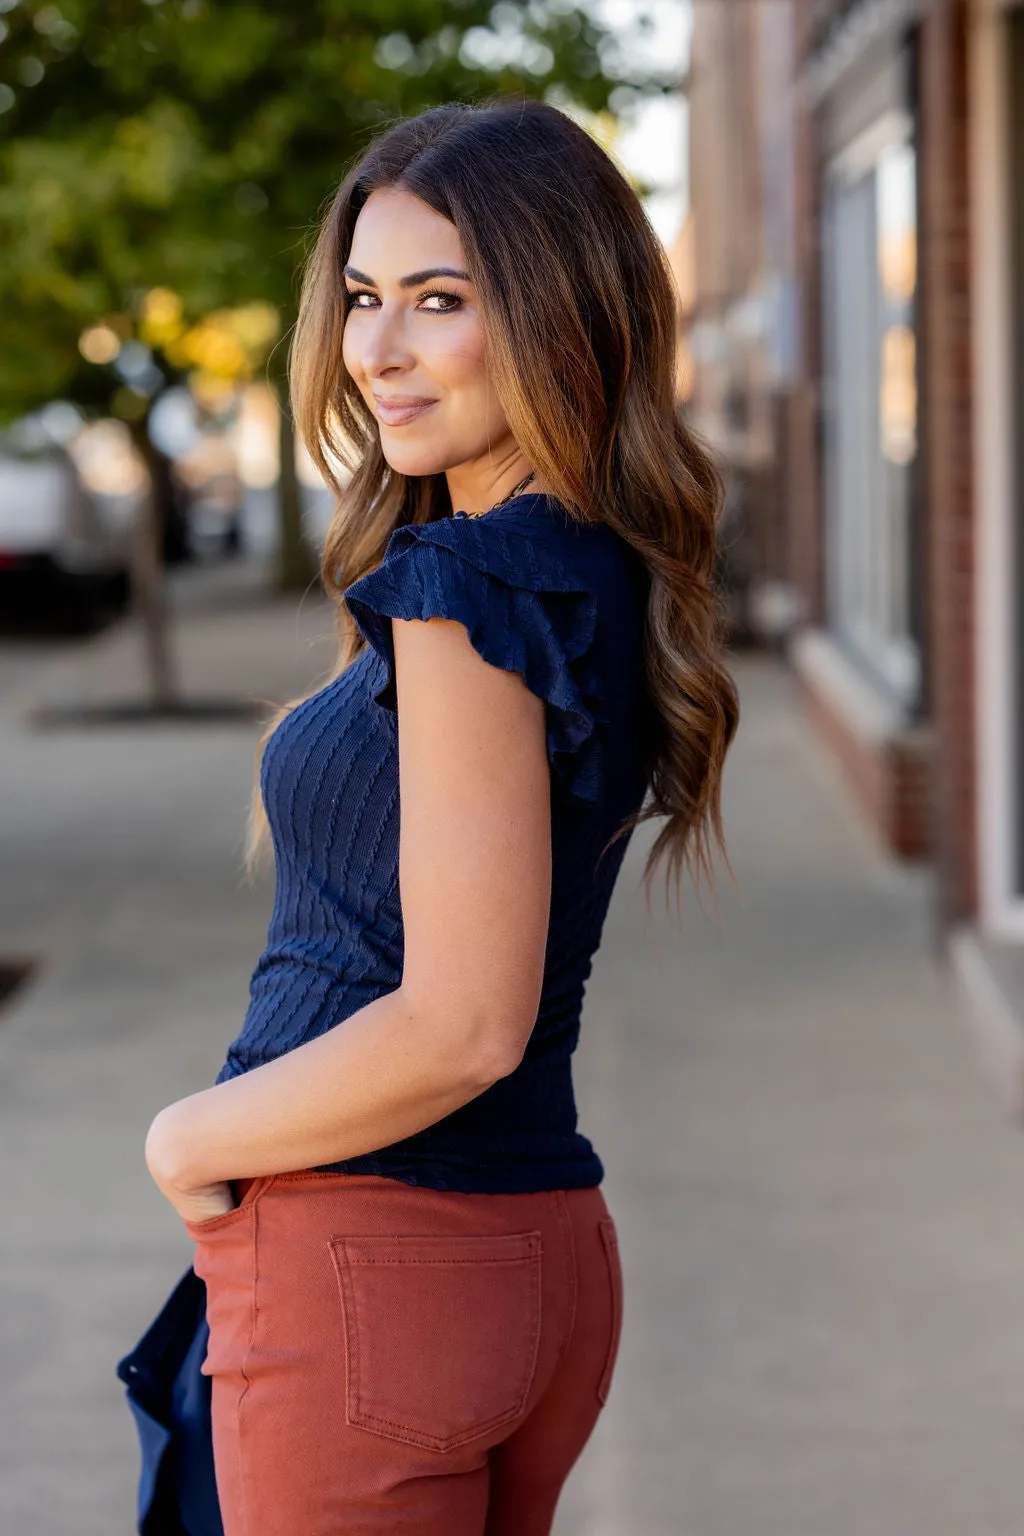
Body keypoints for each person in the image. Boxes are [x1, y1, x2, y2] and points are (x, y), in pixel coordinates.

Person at [142, 95, 739, 1536]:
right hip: (528, 1254)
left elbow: (463, 1022)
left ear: (555, 314)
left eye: (439, 300)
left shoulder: (471, 593)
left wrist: (188, 1136)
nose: (378, 351)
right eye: (360, 298)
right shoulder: (590, 568)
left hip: (373, 1260)